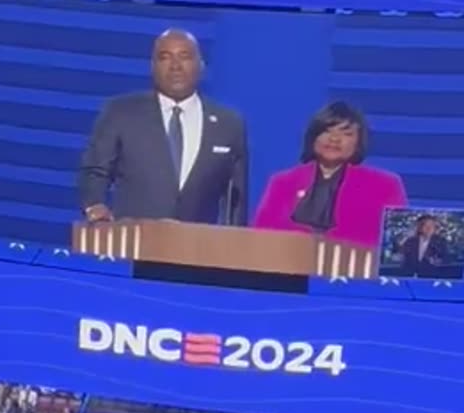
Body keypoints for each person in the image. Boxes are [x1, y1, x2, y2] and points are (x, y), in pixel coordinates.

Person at [79, 28, 248, 226]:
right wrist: (95, 206)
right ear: (153, 66)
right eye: (165, 57)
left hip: (198, 249)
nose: (175, 66)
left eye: (185, 57)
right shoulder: (121, 112)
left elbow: (237, 198)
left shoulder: (229, 124)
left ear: (201, 65)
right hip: (135, 246)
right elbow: (96, 170)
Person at [252, 101, 407, 249]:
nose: (334, 139)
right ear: (313, 137)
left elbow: (393, 245)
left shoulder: (384, 185)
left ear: (358, 143)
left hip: (354, 273)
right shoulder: (283, 182)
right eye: (327, 131)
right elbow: (263, 232)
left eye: (346, 133)